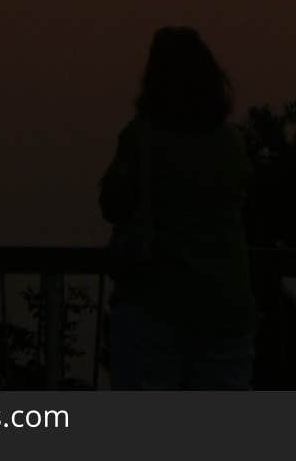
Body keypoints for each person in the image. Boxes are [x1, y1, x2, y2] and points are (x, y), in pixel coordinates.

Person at [99, 26, 255, 389]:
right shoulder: (230, 144)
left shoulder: (141, 138)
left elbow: (111, 204)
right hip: (225, 308)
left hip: (154, 308)